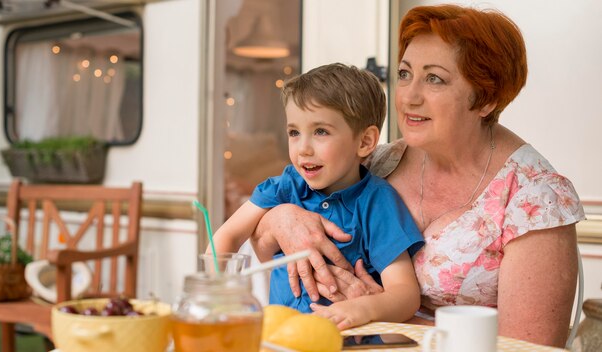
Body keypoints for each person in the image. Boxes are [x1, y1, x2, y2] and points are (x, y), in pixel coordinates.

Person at [249, 4, 585, 348]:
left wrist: (381, 314)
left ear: (486, 98)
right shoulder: (378, 161)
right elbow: (263, 247)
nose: (408, 96)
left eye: (434, 78)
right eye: (405, 74)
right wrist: (282, 217)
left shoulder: (535, 200)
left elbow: (528, 348)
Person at [209, 63, 424, 330]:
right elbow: (227, 237)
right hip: (280, 338)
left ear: (365, 142)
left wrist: (361, 308)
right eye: (294, 133)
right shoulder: (285, 187)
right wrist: (214, 294)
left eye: (320, 131)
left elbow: (405, 293)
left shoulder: (376, 202)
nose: (303, 149)